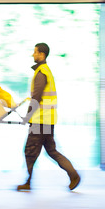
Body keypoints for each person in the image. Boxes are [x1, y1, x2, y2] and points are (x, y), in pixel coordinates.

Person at [17, 43, 80, 191]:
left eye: (35, 52)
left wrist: (27, 116)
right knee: (51, 151)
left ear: (42, 55)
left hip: (40, 121)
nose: (33, 55)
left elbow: (36, 98)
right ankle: (73, 175)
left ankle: (28, 182)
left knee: (30, 151)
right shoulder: (45, 71)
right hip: (47, 120)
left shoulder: (41, 73)